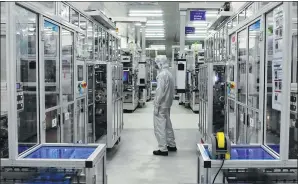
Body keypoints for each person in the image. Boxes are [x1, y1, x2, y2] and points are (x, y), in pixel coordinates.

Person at [153, 55, 177, 156]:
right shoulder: (169, 74)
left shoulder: (162, 75)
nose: (156, 65)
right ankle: (171, 145)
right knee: (167, 125)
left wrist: (156, 104)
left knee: (160, 127)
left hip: (161, 104)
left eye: (156, 63)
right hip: (167, 104)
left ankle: (163, 149)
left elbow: (160, 91)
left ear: (160, 63)